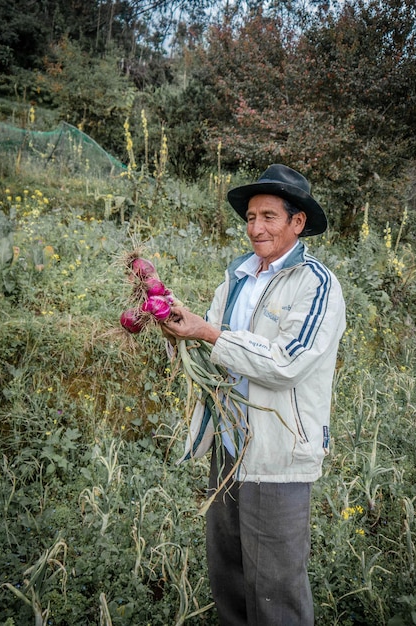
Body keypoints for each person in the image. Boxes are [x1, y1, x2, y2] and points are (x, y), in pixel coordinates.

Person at [162, 164, 346, 626]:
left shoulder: (316, 285)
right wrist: (174, 323)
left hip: (277, 458)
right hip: (228, 450)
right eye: (249, 217)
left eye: (268, 216)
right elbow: (211, 343)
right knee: (230, 577)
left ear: (297, 222)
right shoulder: (239, 276)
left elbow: (286, 363)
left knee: (275, 592)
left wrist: (207, 332)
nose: (255, 228)